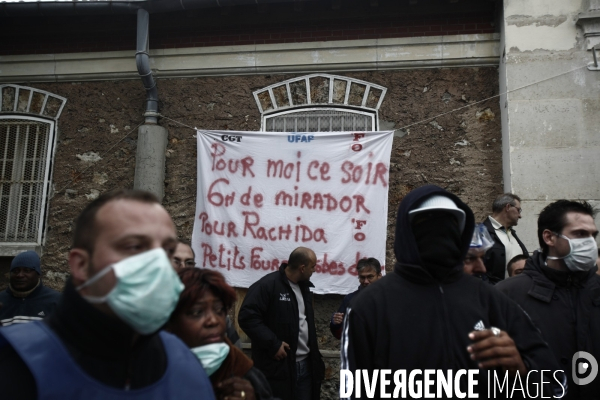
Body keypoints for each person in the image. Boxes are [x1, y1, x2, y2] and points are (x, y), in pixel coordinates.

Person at [342, 185, 565, 397]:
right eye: (424, 221)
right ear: (406, 230)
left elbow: (554, 385)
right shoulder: (369, 305)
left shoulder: (489, 298)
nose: (438, 230)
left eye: (449, 221)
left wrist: (520, 368)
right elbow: (353, 390)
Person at [0, 189, 215, 400]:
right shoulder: (15, 363)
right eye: (134, 246)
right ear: (82, 265)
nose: (158, 263)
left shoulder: (185, 364)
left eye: (167, 250)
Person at [496, 200, 600, 399]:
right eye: (580, 234)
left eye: (593, 235)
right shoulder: (507, 295)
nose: (590, 243)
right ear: (549, 237)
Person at [167, 267, 275, 400]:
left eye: (219, 310)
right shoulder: (148, 372)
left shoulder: (243, 372)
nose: (213, 320)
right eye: (197, 312)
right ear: (171, 320)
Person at [239, 247, 325, 400]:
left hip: (305, 367)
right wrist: (273, 344)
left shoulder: (304, 288)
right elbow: (248, 317)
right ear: (302, 268)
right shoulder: (267, 285)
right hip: (278, 369)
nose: (315, 270)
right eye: (313, 267)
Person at [0, 251, 61, 327]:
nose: (20, 275)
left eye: (27, 270)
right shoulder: (1, 301)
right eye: (15, 271)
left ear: (38, 274)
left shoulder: (56, 301)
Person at [329, 257, 382, 339]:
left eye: (370, 277)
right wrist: (336, 324)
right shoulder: (350, 299)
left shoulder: (389, 299)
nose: (366, 281)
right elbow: (340, 335)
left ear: (379, 276)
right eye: (362, 278)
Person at [483, 193, 529, 283]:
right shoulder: (482, 233)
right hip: (496, 294)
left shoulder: (511, 233)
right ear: (508, 207)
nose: (520, 216)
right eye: (518, 210)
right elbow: (475, 271)